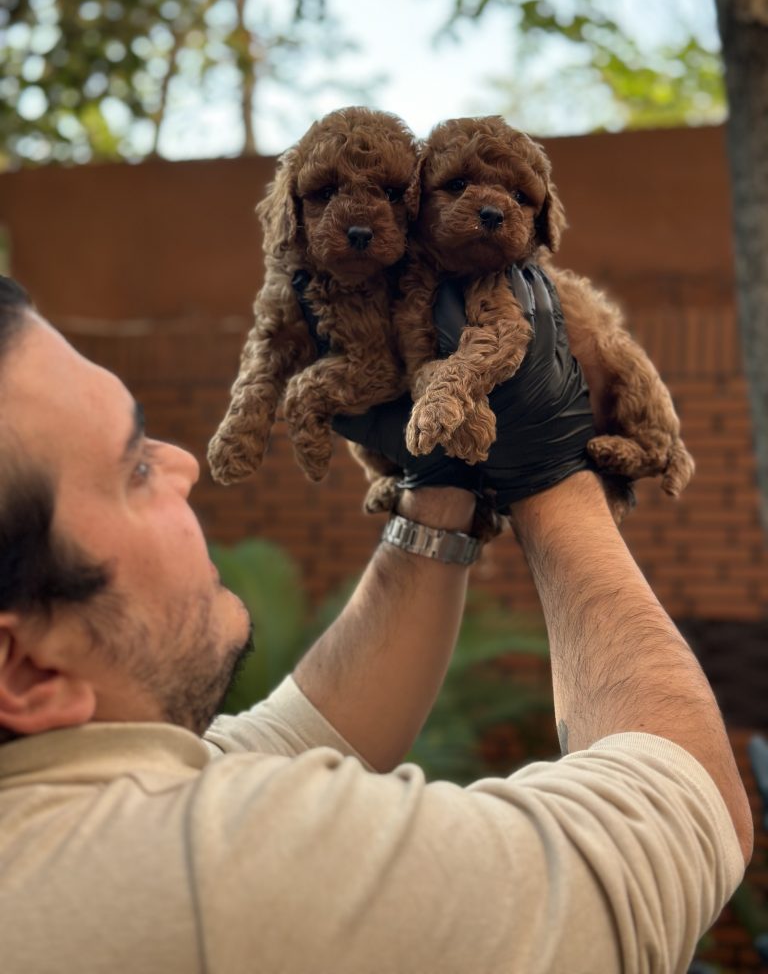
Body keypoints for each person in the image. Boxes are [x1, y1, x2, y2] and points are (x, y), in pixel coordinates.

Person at [0, 267, 752, 974]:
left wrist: (440, 485)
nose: (182, 465)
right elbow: (680, 825)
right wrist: (550, 475)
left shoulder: (48, 818)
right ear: (25, 667)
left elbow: (294, 742)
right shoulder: (192, 875)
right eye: (134, 470)